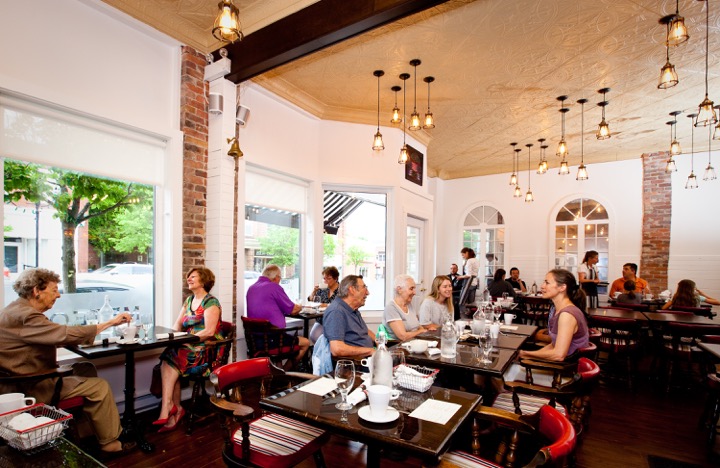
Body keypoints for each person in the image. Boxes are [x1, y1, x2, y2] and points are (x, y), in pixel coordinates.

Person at [0, 268, 135, 456]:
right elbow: (63, 334)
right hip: (31, 387)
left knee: (85, 368)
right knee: (100, 387)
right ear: (37, 291)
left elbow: (55, 334)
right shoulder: (26, 316)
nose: (58, 295)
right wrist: (109, 323)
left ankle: (88, 431)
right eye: (54, 290)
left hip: (23, 377)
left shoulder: (15, 310)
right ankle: (110, 444)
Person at [156, 267, 224, 432]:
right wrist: (173, 337)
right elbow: (177, 325)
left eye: (193, 276)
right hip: (188, 348)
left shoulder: (211, 302)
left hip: (207, 351)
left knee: (171, 357)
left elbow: (209, 332)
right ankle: (171, 407)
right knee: (169, 356)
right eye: (188, 276)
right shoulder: (188, 301)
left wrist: (187, 340)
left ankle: (171, 409)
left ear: (204, 280)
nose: (189, 279)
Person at [518, 269, 589, 361]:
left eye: (547, 283)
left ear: (562, 287)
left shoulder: (567, 315)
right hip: (563, 363)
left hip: (567, 368)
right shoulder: (557, 310)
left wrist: (526, 354)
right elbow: (554, 345)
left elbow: (558, 355)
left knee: (512, 371)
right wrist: (527, 355)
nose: (542, 286)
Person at [246, 264, 310, 368]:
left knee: (280, 349)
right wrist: (300, 306)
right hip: (272, 339)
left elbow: (268, 307)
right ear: (275, 277)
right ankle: (284, 373)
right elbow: (293, 309)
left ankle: (277, 372)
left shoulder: (251, 288)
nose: (279, 280)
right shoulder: (274, 287)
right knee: (305, 343)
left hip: (255, 340)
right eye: (280, 277)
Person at [323, 275, 376, 358]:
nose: (367, 293)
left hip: (367, 358)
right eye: (364, 287)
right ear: (352, 290)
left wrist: (379, 342)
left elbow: (363, 330)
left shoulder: (352, 308)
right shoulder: (336, 312)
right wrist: (370, 351)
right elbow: (337, 349)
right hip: (355, 364)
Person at [383, 274, 429, 341]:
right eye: (411, 288)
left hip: (414, 343)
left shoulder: (409, 304)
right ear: (399, 290)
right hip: (398, 347)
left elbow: (418, 326)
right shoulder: (391, 308)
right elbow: (403, 336)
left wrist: (422, 329)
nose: (414, 292)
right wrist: (421, 331)